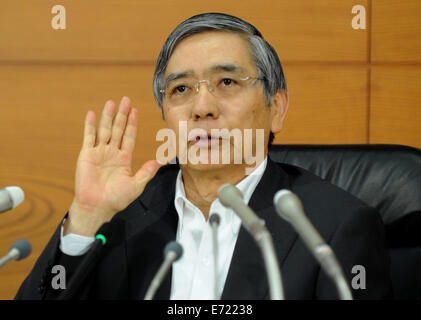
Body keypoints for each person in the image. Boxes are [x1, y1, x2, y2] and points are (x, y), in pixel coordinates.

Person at [15, 12, 392, 300]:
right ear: (165, 114)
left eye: (227, 82)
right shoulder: (121, 215)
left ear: (276, 107)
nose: (202, 107)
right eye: (180, 89)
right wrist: (85, 221)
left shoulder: (336, 225)